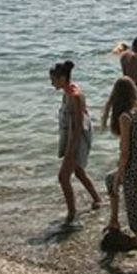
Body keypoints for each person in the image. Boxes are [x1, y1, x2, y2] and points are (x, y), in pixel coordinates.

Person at [103, 76, 137, 274]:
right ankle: (114, 221)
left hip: (133, 171)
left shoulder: (125, 117)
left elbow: (125, 152)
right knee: (109, 180)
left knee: (135, 215)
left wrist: (120, 176)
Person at [49, 59, 102, 224]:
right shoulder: (67, 91)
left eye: (53, 79)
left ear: (62, 78)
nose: (51, 83)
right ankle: (98, 200)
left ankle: (71, 213)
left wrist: (71, 150)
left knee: (63, 177)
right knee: (78, 171)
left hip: (79, 136)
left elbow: (78, 126)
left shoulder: (75, 95)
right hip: (72, 134)